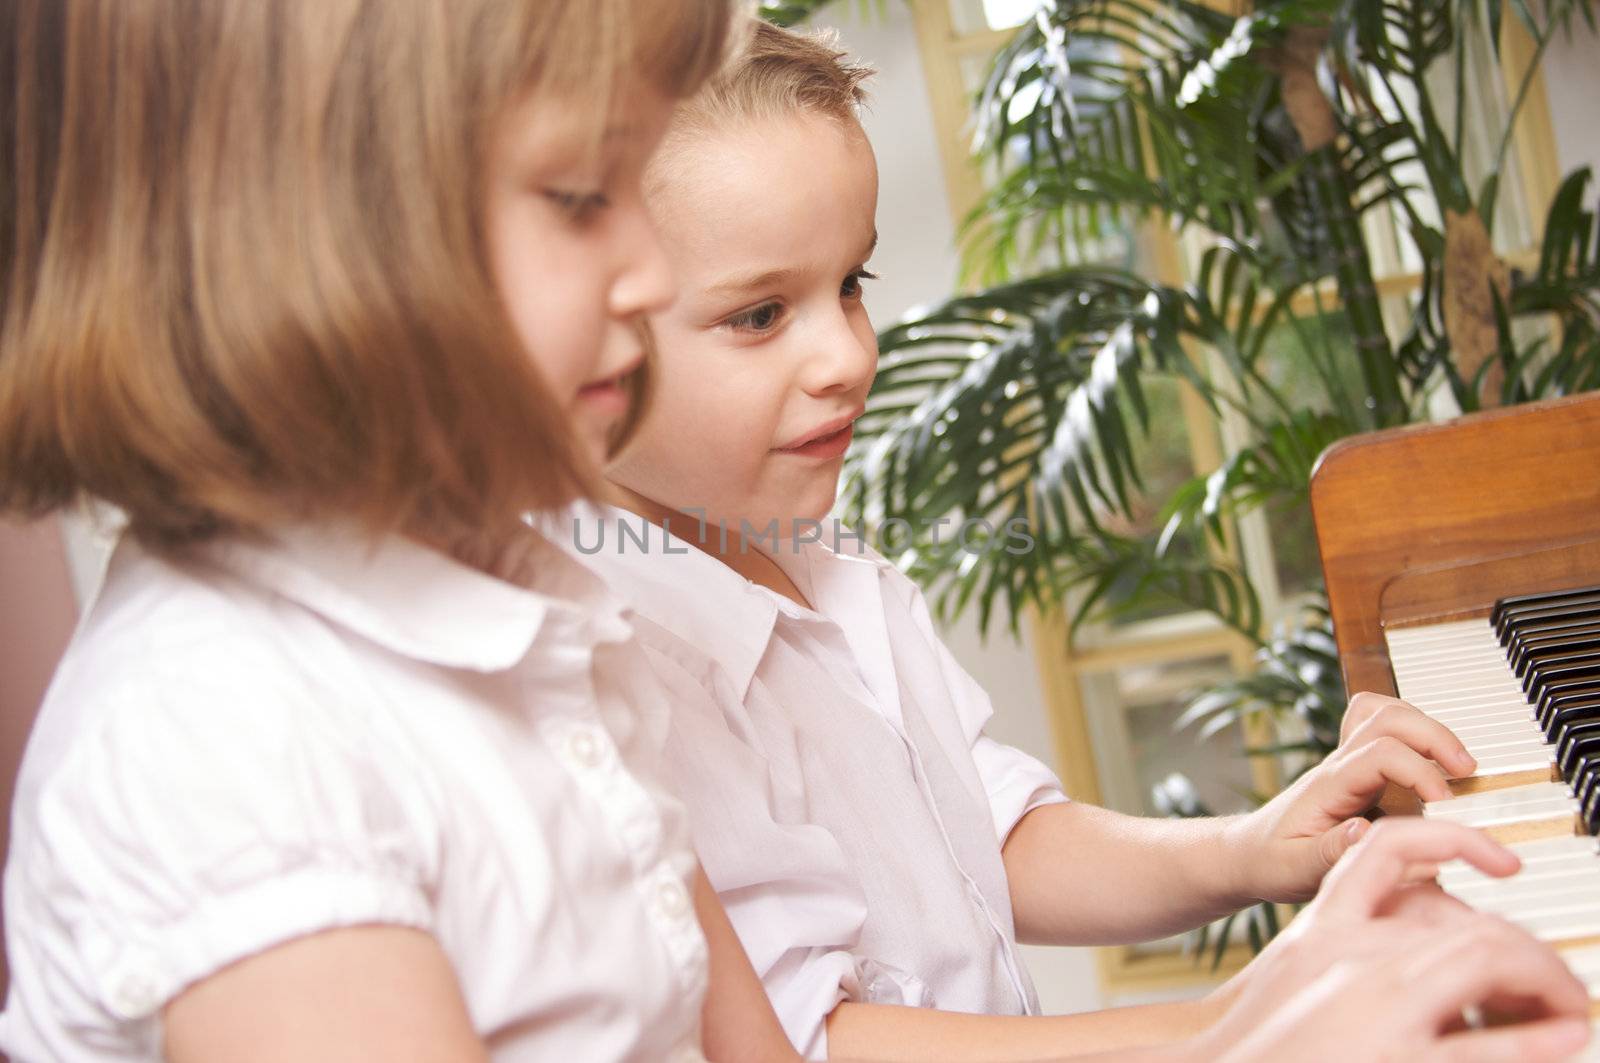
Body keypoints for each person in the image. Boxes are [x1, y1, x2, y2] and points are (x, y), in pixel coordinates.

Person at [567, 21, 1560, 1060]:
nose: (847, 355)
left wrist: (1252, 846)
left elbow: (993, 836)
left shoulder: (820, 552)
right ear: (580, 333)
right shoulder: (629, 666)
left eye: (852, 285)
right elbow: (808, 1038)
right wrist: (1249, 1021)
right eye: (761, 313)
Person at [0, 1, 756, 1059]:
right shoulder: (226, 738)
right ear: (287, 224)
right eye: (581, 197)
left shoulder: (523, 602)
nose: (654, 274)